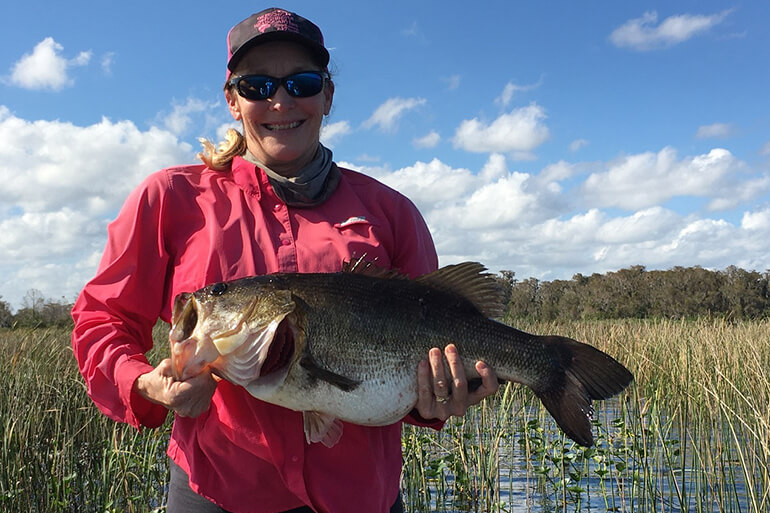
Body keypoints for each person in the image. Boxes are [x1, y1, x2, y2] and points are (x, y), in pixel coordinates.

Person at [71, 8, 499, 513]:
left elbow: (421, 364)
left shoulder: (392, 212)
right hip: (218, 493)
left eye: (301, 82)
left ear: (328, 96)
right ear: (232, 100)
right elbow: (102, 319)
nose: (280, 100)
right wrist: (144, 382)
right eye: (257, 86)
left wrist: (439, 400)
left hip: (358, 496)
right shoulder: (169, 198)